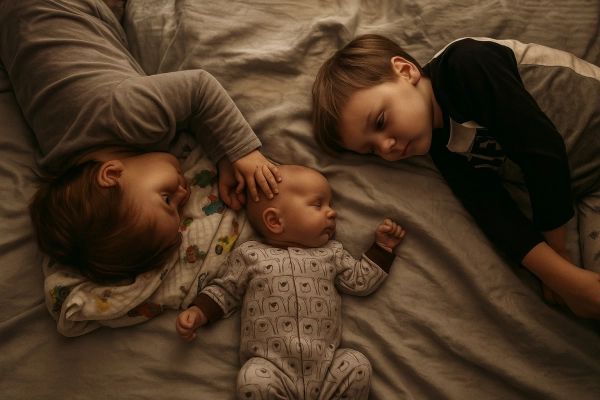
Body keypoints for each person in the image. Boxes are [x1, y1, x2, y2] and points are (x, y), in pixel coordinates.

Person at [311, 34, 600, 319]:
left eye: (380, 122)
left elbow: (541, 152)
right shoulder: (440, 146)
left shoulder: (465, 66)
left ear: (405, 71)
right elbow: (493, 212)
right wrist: (561, 279)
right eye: (372, 150)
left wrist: (559, 259)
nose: (386, 148)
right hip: (589, 189)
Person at [0, 0, 280, 284]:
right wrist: (221, 155)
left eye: (166, 199)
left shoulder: (126, 114)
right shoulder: (62, 161)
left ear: (111, 174)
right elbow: (190, 114)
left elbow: (199, 90)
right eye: (178, 208)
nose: (184, 194)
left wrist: (241, 151)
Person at [176, 165, 405, 400]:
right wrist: (199, 312)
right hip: (273, 368)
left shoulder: (332, 253)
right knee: (252, 379)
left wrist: (382, 248)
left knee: (357, 364)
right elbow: (226, 289)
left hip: (326, 370)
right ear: (274, 220)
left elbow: (360, 281)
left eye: (330, 205)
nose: (332, 213)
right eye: (318, 204)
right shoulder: (250, 254)